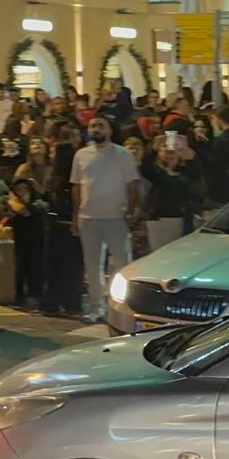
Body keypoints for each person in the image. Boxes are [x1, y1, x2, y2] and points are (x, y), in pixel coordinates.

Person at [72, 117, 141, 323]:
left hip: (116, 216)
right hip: (88, 217)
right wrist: (75, 216)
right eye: (93, 126)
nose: (96, 129)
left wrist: (130, 212)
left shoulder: (123, 154)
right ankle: (96, 307)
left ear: (110, 130)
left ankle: (121, 306)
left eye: (101, 125)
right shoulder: (81, 155)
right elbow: (77, 186)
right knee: (92, 266)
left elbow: (132, 186)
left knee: (122, 263)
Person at [7, 178, 47, 305]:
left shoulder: (37, 204)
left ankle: (34, 295)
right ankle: (19, 297)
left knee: (34, 268)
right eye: (19, 189)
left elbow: (28, 213)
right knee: (19, 269)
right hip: (20, 241)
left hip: (35, 242)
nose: (23, 191)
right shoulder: (13, 204)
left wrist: (26, 203)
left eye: (25, 188)